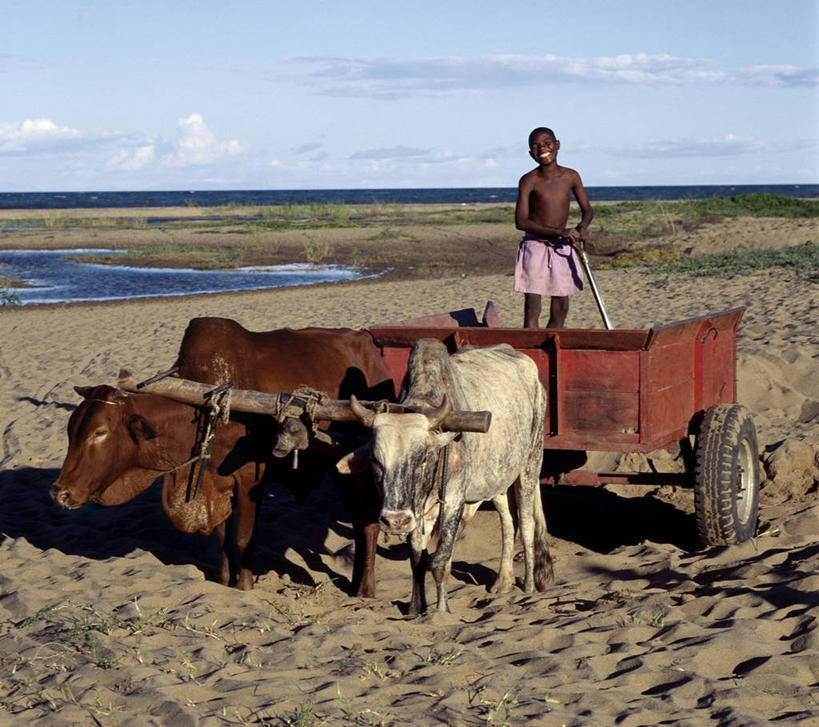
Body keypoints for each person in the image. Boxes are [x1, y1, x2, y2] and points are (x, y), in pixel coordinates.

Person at [514, 127, 594, 328]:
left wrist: (582, 227)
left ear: (557, 145)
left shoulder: (571, 176)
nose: (543, 149)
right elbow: (521, 221)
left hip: (562, 246)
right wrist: (559, 232)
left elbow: (588, 211)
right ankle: (531, 345)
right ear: (531, 154)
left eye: (547, 143)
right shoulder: (529, 180)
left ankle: (552, 341)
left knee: (561, 303)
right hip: (535, 245)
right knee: (533, 304)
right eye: (536, 146)